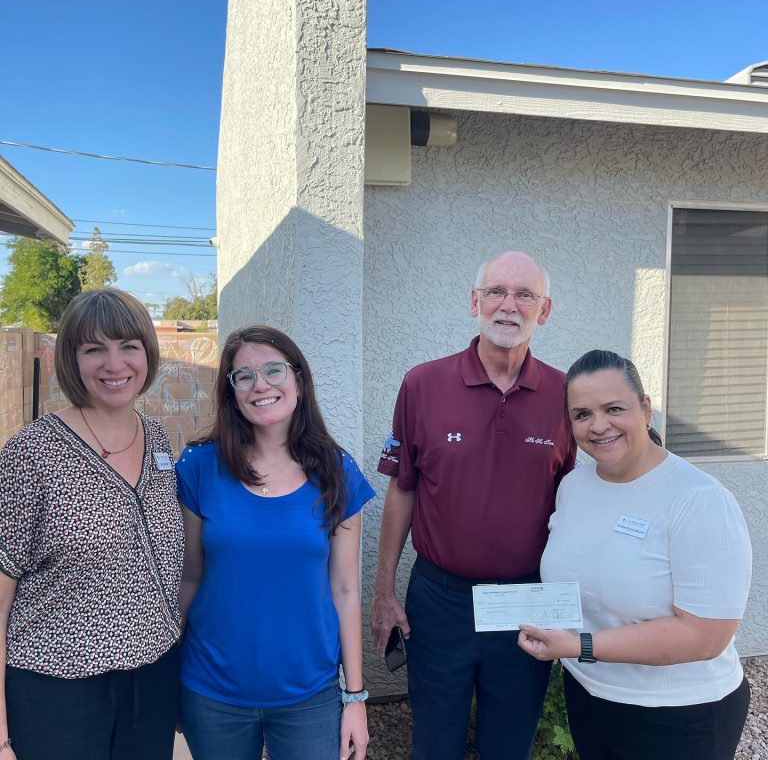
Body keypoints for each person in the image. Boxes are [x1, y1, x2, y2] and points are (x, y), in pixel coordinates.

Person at [371, 251, 577, 760]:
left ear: (544, 310)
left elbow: (578, 501)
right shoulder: (423, 384)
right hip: (441, 600)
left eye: (525, 295)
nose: (509, 306)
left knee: (509, 745)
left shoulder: (565, 395)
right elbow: (402, 487)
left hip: (527, 599)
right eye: (496, 292)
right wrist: (382, 590)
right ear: (474, 302)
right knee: (434, 743)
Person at [518, 349, 752, 760]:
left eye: (614, 408)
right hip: (590, 695)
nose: (599, 425)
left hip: (679, 714)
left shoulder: (699, 500)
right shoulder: (575, 485)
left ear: (645, 409)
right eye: (582, 414)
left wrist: (578, 646)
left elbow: (705, 636)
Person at [0, 288, 183, 760]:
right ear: (72, 359)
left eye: (128, 345)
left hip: (152, 677)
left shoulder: (159, 439)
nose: (114, 363)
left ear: (147, 352)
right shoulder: (31, 454)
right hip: (58, 687)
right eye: (94, 348)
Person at [177, 324, 374, 760]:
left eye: (273, 370)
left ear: (299, 380)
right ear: (231, 392)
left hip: (310, 694)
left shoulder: (337, 472)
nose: (259, 385)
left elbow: (344, 590)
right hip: (212, 693)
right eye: (243, 376)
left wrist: (355, 698)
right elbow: (190, 575)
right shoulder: (199, 466)